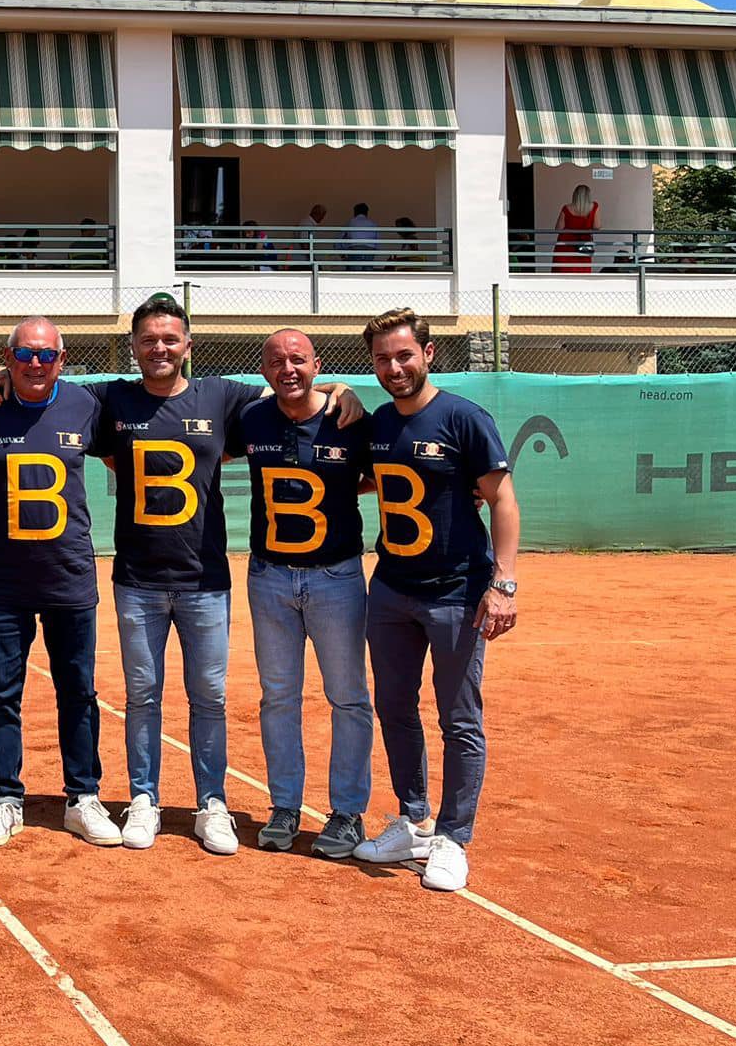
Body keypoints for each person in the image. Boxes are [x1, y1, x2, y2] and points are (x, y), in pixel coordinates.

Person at [84, 297, 357, 855]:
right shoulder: (110, 398)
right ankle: (144, 799)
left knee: (208, 697)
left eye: (170, 339)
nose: (159, 348)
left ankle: (212, 802)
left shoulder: (225, 396)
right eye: (147, 339)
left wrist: (339, 390)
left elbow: (293, 392)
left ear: (188, 345)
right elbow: (47, 390)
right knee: (143, 694)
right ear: (133, 346)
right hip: (136, 579)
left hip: (205, 579)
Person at [351, 308, 521, 893]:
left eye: (404, 355)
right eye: (382, 359)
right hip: (392, 591)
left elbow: (502, 500)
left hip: (458, 594)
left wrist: (503, 583)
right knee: (394, 709)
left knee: (459, 719)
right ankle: (414, 821)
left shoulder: (465, 418)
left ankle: (453, 838)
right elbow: (371, 478)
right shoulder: (376, 424)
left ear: (428, 353)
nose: (394, 368)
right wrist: (335, 392)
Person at [0, 317, 117, 849]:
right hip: (2, 582)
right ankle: (4, 798)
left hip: (69, 577)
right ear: (9, 357)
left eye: (47, 355)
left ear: (62, 359)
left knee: (79, 691)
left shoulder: (88, 405)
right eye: (25, 355)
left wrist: (334, 387)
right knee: (1, 693)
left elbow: (152, 401)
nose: (37, 364)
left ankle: (83, 797)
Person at [232, 329, 373, 859]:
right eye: (276, 361)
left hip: (336, 577)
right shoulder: (249, 418)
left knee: (348, 697)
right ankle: (285, 804)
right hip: (269, 578)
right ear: (263, 370)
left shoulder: (350, 419)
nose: (288, 369)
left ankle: (347, 812)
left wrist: (344, 389)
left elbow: (382, 476)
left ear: (316, 364)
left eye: (298, 360)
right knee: (278, 697)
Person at [553, 185, 599, 274]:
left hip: (565, 246)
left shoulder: (566, 208)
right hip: (584, 245)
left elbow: (558, 228)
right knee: (582, 275)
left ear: (575, 195)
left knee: (563, 276)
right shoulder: (594, 207)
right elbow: (597, 226)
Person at [343, 203, 381, 268]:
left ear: (355, 212)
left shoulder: (351, 223)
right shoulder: (372, 223)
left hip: (355, 249)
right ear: (366, 212)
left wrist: (344, 253)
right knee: (367, 273)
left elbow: (345, 237)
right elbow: (377, 240)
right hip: (369, 250)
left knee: (355, 273)